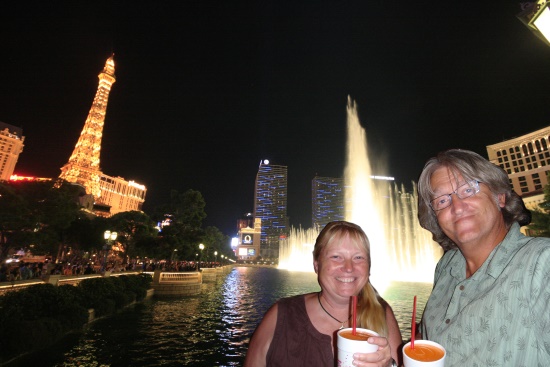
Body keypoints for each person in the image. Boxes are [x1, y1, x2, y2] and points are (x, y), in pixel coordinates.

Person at [416, 149, 550, 366]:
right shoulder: (445, 269)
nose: (457, 207)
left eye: (469, 189)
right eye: (442, 201)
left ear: (500, 197)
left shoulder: (542, 263)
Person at [244, 221, 402, 367]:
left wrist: (390, 364)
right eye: (336, 257)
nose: (348, 267)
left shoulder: (382, 313)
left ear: (369, 267)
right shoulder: (280, 315)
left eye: (358, 257)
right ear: (317, 265)